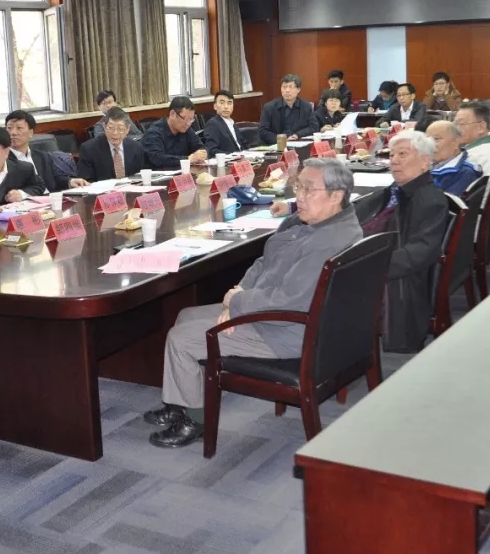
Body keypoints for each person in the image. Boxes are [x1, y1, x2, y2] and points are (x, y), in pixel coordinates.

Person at [143, 158, 362, 448]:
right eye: (298, 187)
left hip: (287, 330)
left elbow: (289, 301)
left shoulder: (328, 241)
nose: (299, 196)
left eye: (309, 190)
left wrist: (238, 304)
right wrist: (238, 293)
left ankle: (194, 421)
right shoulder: (319, 223)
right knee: (186, 315)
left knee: (181, 338)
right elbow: (264, 261)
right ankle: (181, 402)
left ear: (336, 196)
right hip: (273, 311)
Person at [353, 131, 449, 353]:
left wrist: (367, 268)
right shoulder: (395, 191)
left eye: (403, 154)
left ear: (424, 161)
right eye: (392, 155)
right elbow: (351, 211)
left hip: (393, 284)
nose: (394, 160)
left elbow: (419, 252)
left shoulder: (429, 200)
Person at [5, 109, 86, 191]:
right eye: (9, 128)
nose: (13, 132)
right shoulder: (3, 161)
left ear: (31, 133)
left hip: (50, 197)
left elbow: (56, 179)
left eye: (19, 128)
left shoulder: (43, 157)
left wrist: (70, 181)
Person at [77, 107, 145, 182]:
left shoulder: (136, 148)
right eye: (110, 128)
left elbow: (141, 176)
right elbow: (85, 182)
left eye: (120, 129)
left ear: (127, 129)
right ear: (104, 127)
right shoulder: (89, 149)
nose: (115, 133)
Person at [141, 96, 209, 168]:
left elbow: (201, 147)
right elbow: (158, 159)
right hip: (158, 173)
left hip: (183, 172)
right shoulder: (153, 133)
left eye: (191, 119)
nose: (188, 123)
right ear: (172, 114)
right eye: (184, 118)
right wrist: (188, 159)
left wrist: (201, 155)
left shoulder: (186, 129)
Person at [456, 102, 490, 179]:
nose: (456, 129)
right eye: (455, 123)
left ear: (481, 127)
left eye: (461, 124)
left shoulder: (475, 158)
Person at [426, 120, 482, 195]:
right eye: (427, 140)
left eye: (436, 139)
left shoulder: (465, 173)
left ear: (455, 142)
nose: (430, 145)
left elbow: (443, 201)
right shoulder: (425, 165)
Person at [259, 74, 315, 144]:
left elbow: (313, 127)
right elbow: (262, 131)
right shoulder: (269, 107)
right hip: (276, 145)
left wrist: (297, 135)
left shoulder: (306, 106)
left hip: (298, 143)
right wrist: (281, 139)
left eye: (291, 87)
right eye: (284, 87)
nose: (287, 90)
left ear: (298, 89)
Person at [202, 90, 245, 155]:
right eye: (222, 103)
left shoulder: (233, 123)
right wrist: (233, 155)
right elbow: (211, 150)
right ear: (215, 106)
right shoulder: (212, 124)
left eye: (229, 103)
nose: (226, 107)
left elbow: (242, 145)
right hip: (228, 159)